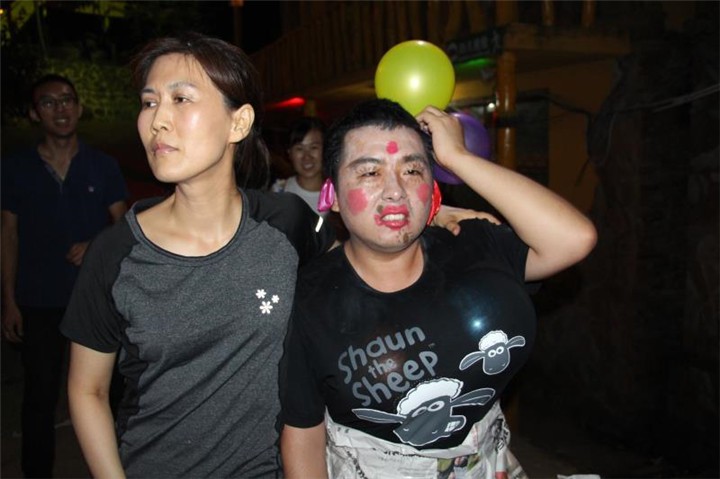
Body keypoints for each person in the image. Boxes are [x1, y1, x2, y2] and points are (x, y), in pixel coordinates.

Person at [57, 33, 483, 479]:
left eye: (180, 99)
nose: (157, 120)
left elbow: (363, 264)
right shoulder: (116, 254)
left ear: (238, 123)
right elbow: (88, 390)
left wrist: (427, 212)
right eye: (149, 102)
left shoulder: (287, 223)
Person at [279, 99, 598, 478]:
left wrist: (458, 158)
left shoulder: (472, 244)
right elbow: (303, 432)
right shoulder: (308, 300)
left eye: (412, 170)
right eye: (370, 172)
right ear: (330, 196)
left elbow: (574, 239)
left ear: (433, 189)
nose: (395, 191)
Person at [1, 73, 128, 478]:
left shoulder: (102, 166)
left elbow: (124, 227)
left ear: (79, 107)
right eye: (49, 102)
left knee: (111, 392)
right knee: (39, 396)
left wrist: (96, 244)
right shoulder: (15, 168)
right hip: (38, 301)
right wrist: (8, 300)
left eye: (68, 100)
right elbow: (7, 233)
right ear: (34, 113)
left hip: (95, 301)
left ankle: (120, 468)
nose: (61, 109)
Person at [271, 116, 326, 215]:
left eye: (314, 147)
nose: (307, 157)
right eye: (299, 149)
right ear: (289, 153)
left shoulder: (337, 196)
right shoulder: (279, 192)